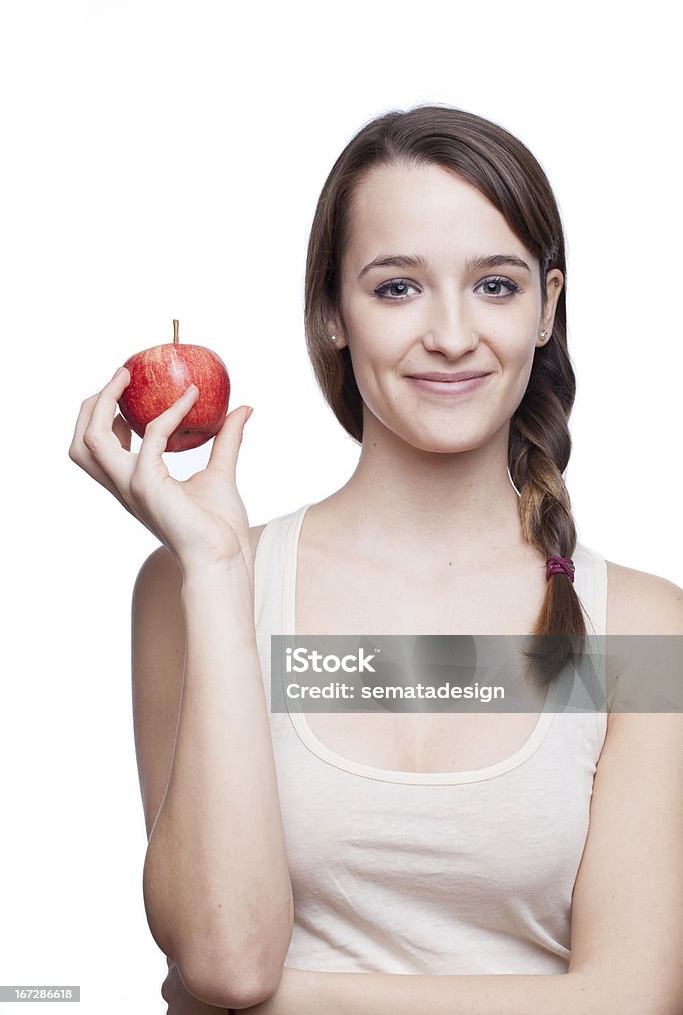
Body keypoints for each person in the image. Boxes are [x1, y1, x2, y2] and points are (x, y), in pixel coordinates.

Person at [69, 104, 683, 1014]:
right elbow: (227, 960)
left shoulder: (642, 628)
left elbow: (633, 1000)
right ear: (330, 314)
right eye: (396, 287)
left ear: (548, 307)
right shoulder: (195, 585)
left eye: (496, 286)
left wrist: (289, 1001)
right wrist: (213, 572)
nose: (448, 334)